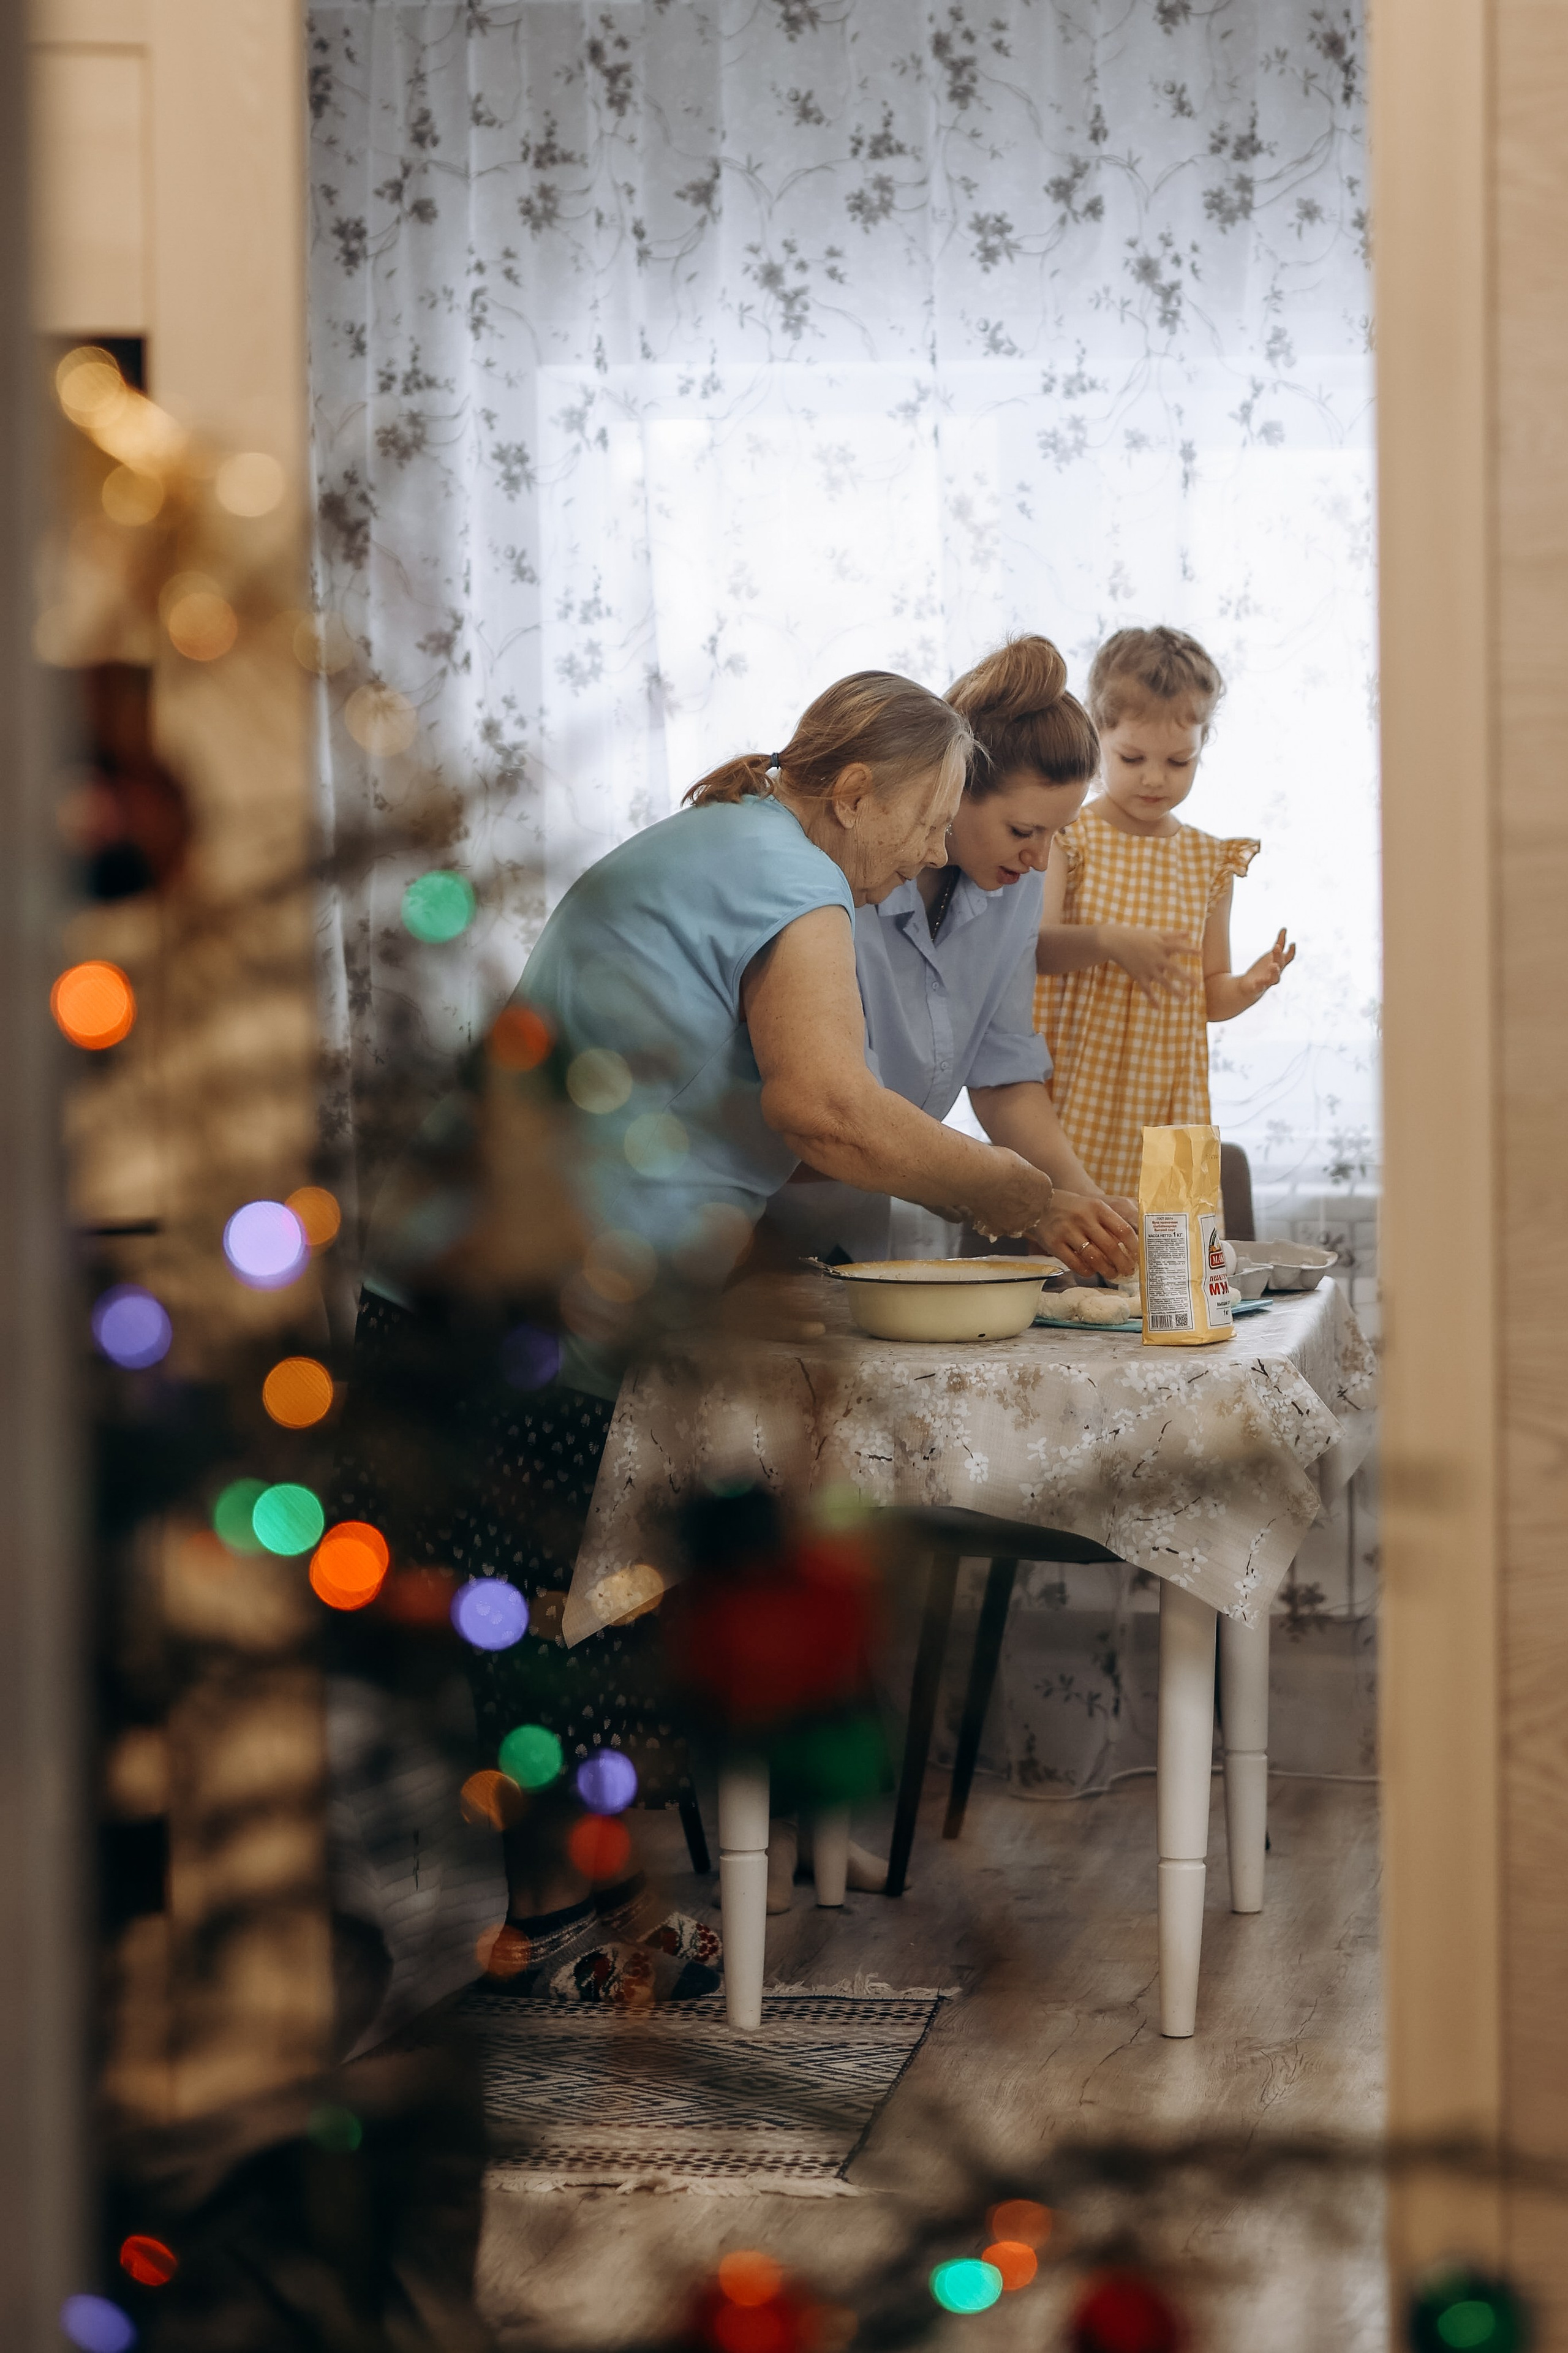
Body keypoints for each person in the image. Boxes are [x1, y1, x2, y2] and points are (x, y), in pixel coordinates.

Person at [339, 671, 1068, 2003]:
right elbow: (827, 1110)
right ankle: (552, 1932)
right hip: (523, 1293)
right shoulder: (786, 879)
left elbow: (703, 1106)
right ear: (853, 792)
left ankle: (586, 1909)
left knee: (563, 1612)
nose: (924, 853)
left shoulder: (724, 844)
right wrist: (1012, 1193)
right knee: (557, 1617)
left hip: (480, 1275)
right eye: (925, 821)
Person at [764, 635, 1139, 1278]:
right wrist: (1026, 1203)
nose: (1040, 860)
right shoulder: (836, 873)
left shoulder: (1014, 890)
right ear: (954, 789)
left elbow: (1002, 1071)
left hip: (858, 1212)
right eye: (1023, 831)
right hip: (760, 1196)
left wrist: (1085, 1201)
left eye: (1057, 834)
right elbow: (827, 1108)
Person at [1033, 625, 1295, 1203]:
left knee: (1172, 1272)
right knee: (1072, 1261)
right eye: (1133, 757)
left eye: (1179, 760)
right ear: (1098, 733)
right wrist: (1109, 941)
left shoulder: (1210, 862)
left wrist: (1248, 986)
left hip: (1170, 1099)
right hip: (1078, 1087)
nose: (1155, 777)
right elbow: (1036, 949)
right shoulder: (1068, 838)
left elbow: (1209, 995)